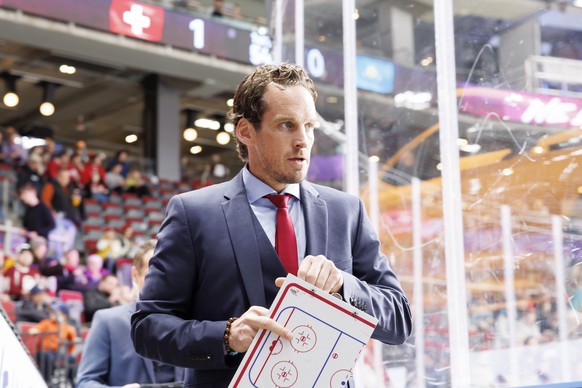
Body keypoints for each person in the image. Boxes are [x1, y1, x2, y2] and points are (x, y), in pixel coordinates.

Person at [131, 63, 412, 387]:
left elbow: (400, 319)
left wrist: (345, 286)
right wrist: (227, 335)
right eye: (286, 125)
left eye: (309, 126)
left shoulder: (345, 211)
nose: (303, 140)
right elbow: (147, 327)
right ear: (245, 131)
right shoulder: (192, 214)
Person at [76, 240, 185, 387]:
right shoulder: (107, 321)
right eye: (156, 272)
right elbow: (85, 382)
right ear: (135, 275)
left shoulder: (189, 324)